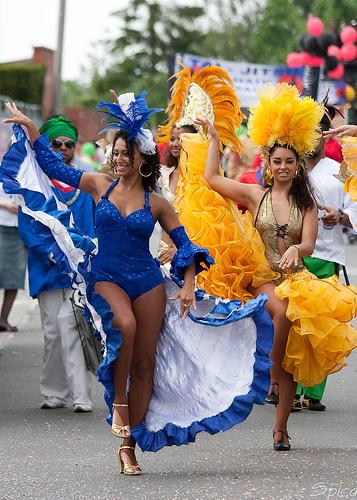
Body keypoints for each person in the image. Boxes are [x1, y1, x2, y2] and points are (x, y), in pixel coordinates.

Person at [2, 92, 275, 475]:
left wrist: (188, 284)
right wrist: (32, 130)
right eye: (115, 152)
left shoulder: (157, 203)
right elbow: (52, 167)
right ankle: (118, 404)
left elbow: (187, 247)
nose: (117, 158)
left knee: (145, 367)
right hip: (107, 277)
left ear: (141, 158)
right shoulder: (99, 185)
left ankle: (129, 445)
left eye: (124, 153)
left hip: (146, 282)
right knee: (124, 327)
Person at [200, 82, 357, 451]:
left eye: (289, 161)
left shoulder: (308, 204)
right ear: (268, 165)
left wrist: (297, 252)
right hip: (263, 277)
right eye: (277, 161)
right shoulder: (256, 196)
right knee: (282, 314)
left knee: (289, 362)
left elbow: (308, 243)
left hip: (297, 278)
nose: (283, 167)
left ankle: (280, 428)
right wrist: (212, 141)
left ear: (297, 164)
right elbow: (212, 179)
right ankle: (268, 371)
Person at [16, 115, 95, 413]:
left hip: (77, 271)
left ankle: (80, 395)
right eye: (55, 143)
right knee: (51, 331)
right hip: (46, 268)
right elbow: (27, 227)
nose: (62, 149)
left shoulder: (84, 185)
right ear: (45, 146)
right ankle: (53, 392)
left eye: (68, 144)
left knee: (75, 326)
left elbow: (91, 227)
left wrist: (83, 255)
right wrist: (52, 253)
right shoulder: (34, 186)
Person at [293, 108, 357, 411]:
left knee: (323, 327)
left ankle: (314, 392)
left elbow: (354, 208)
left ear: (325, 135)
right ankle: (290, 386)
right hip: (292, 257)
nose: (313, 138)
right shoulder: (286, 167)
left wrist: (340, 216)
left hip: (327, 257)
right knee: (294, 325)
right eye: (308, 131)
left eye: (319, 131)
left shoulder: (340, 169)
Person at [0, 184, 26, 332]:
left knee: (16, 274)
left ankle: (3, 319)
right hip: (1, 227)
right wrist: (6, 205)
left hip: (20, 228)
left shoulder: (23, 168)